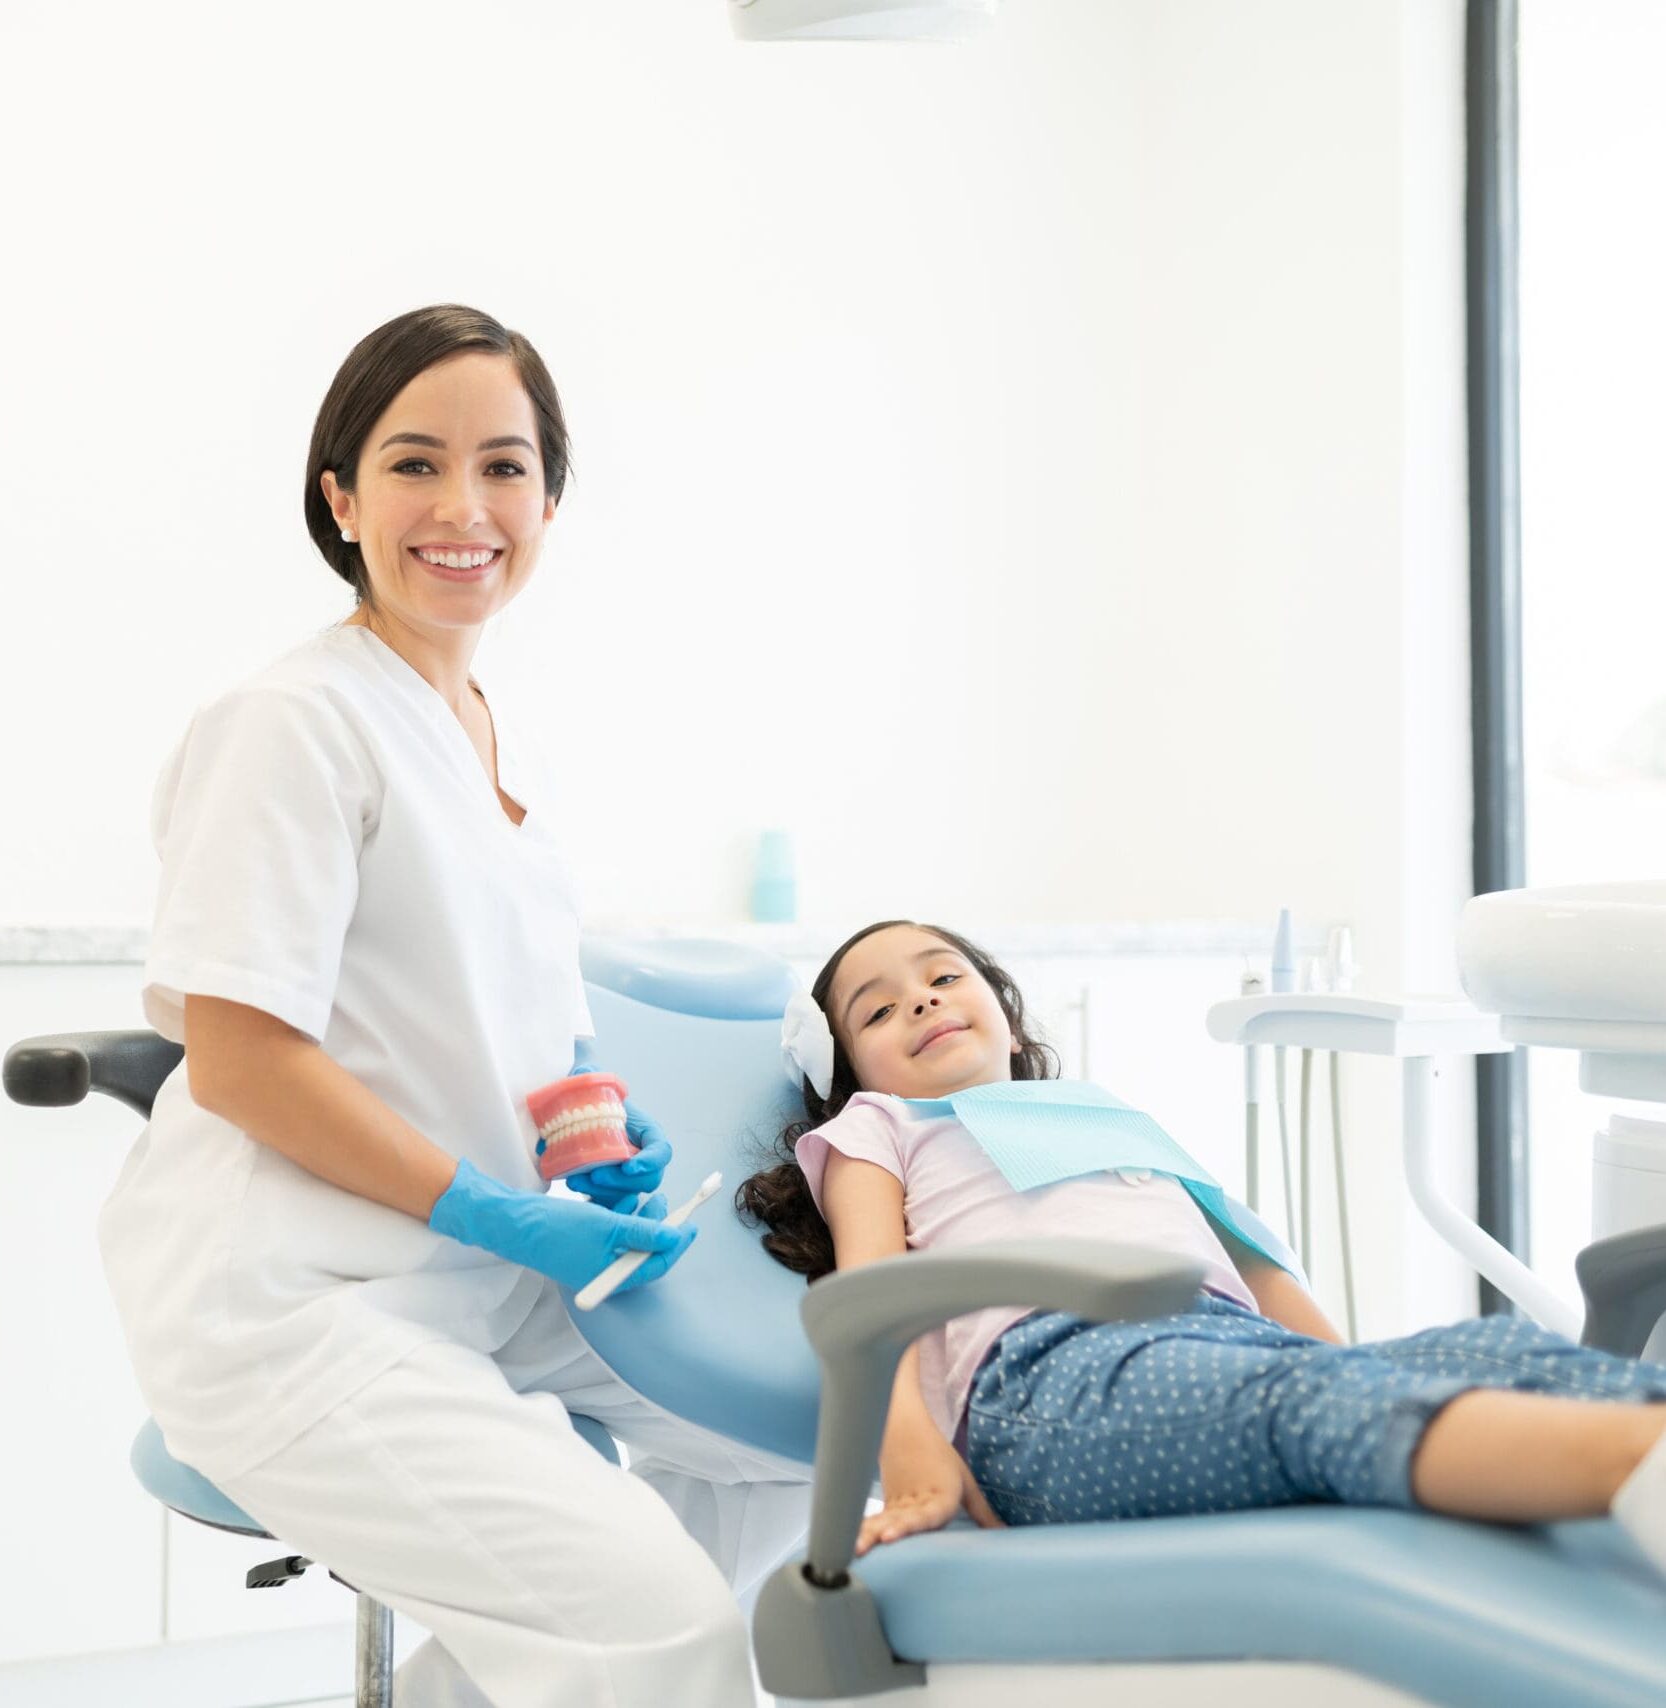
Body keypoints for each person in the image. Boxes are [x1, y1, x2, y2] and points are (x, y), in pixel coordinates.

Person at [98, 304, 810, 1708]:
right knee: (660, 1624)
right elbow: (242, 1061)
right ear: (340, 498)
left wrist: (593, 1132)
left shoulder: (474, 735)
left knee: (802, 1446)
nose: (462, 507)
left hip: (483, 1281)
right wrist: (489, 1206)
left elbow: (502, 1025)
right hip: (301, 1300)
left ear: (548, 498)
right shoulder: (293, 722)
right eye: (415, 464)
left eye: (504, 466)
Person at [737, 918, 1666, 1568]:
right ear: (848, 1068)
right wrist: (909, 1453)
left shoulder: (1107, 1114)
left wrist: (1367, 1368)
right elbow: (867, 1293)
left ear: (1007, 1016)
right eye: (877, 1008)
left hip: (1222, 1342)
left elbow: (1260, 1271)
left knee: (1489, 1350)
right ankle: (1631, 1464)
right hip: (1049, 1377)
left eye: (944, 977)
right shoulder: (881, 1127)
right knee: (1304, 1411)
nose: (922, 1003)